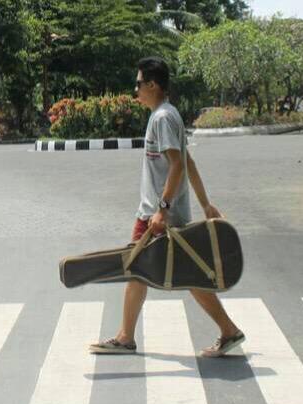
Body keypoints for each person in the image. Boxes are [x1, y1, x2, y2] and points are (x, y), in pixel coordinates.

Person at [89, 57, 245, 358]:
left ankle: (126, 338)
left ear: (152, 84)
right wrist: (205, 204)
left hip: (158, 215)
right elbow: (188, 162)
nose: (135, 89)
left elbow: (177, 166)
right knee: (178, 273)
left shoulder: (162, 118)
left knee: (139, 268)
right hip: (164, 212)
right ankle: (227, 330)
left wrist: (161, 209)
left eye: (138, 83)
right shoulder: (167, 115)